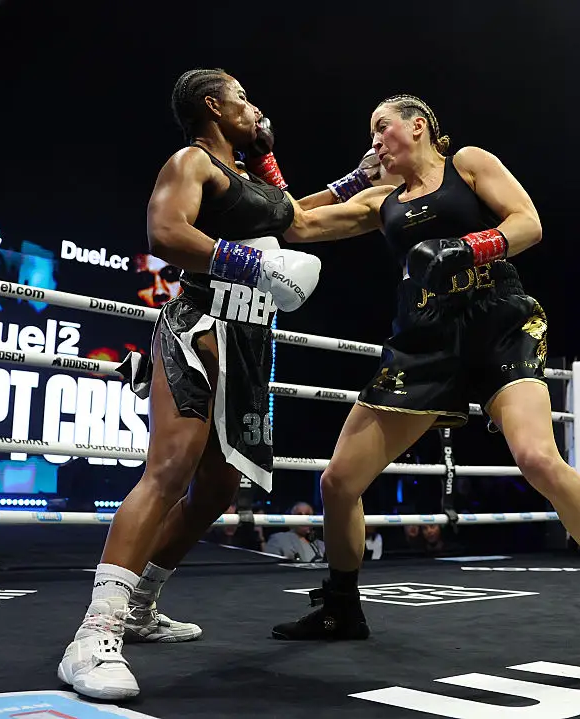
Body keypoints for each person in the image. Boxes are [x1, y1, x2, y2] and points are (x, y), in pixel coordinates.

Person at [269, 94, 580, 679]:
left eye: (383, 127)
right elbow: (294, 223)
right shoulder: (380, 200)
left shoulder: (469, 164)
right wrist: (354, 176)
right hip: (425, 344)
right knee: (337, 482)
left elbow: (528, 223)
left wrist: (462, 247)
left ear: (419, 126)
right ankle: (341, 606)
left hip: (499, 323)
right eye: (370, 133)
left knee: (536, 457)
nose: (375, 138)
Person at [56, 68, 389, 701]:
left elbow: (292, 220)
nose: (255, 105)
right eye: (242, 98)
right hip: (198, 329)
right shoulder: (193, 162)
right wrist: (252, 260)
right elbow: (166, 234)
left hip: (248, 340)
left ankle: (141, 606)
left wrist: (359, 178)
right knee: (171, 469)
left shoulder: (247, 175)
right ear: (213, 106)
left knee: (218, 485)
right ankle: (93, 637)